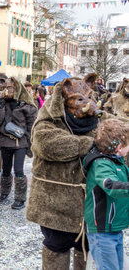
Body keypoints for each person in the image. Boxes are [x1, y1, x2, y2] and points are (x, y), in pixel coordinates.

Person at [27, 74, 108, 269]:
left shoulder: (100, 122)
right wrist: (88, 143)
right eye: (79, 99)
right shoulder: (49, 121)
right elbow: (46, 144)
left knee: (87, 249)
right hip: (55, 207)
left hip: (91, 206)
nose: (86, 103)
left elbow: (121, 134)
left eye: (89, 97)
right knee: (56, 249)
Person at [82, 118, 129, 270]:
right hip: (102, 231)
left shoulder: (118, 162)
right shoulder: (101, 164)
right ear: (119, 146)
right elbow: (110, 185)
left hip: (114, 227)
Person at [0, 77, 37, 210]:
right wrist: (0, 106)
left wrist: (31, 142)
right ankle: (4, 192)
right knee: (6, 170)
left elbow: (32, 126)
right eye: (5, 88)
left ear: (17, 88)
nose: (6, 90)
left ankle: (20, 198)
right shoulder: (2, 103)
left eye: (9, 88)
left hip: (20, 143)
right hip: (5, 141)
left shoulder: (27, 106)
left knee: (18, 170)